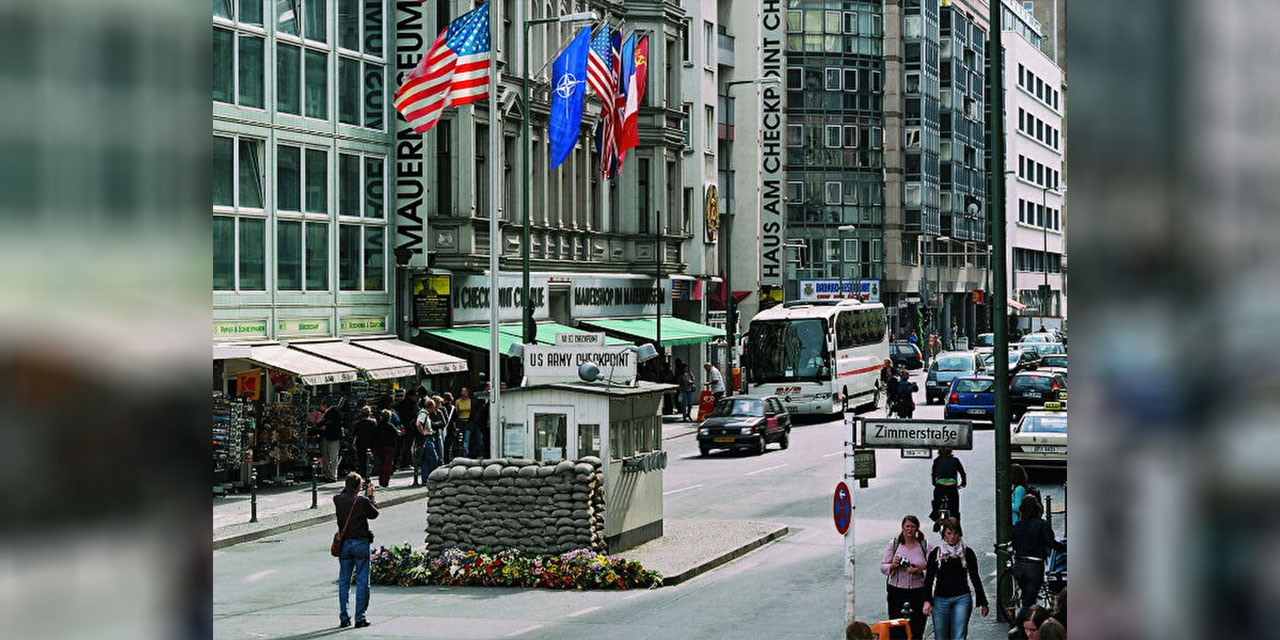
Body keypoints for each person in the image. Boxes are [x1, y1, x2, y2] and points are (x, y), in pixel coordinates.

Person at [922, 518, 989, 640]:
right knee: (941, 636)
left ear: (959, 534)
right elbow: (929, 579)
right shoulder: (936, 553)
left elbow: (975, 577)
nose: (952, 537)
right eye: (949, 533)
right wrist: (927, 600)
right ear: (944, 535)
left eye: (955, 533)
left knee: (959, 636)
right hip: (940, 599)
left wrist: (983, 601)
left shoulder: (966, 552)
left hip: (962, 598)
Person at [1011, 495, 1067, 625]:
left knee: (1027, 597)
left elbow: (1014, 545)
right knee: (1028, 601)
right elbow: (1052, 544)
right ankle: (1017, 627)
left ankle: (1028, 626)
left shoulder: (1018, 525)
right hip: (1034, 565)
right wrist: (1065, 546)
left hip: (1019, 565)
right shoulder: (1042, 525)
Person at [334, 472, 379, 628]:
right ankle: (360, 617)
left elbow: (343, 494)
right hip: (360, 543)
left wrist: (353, 486)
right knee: (361, 581)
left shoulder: (338, 500)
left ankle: (344, 617)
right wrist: (370, 496)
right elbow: (374, 513)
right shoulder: (362, 501)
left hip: (345, 544)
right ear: (359, 487)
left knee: (344, 581)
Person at [880, 514, 929, 639]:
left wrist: (919, 572)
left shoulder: (925, 546)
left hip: (918, 592)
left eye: (913, 527)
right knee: (897, 628)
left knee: (917, 629)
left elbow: (933, 571)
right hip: (897, 591)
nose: (910, 529)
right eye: (907, 526)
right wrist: (893, 566)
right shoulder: (894, 544)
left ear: (917, 528)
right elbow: (883, 567)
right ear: (902, 528)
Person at [930, 448, 967, 531]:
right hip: (952, 487)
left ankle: (936, 519)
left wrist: (934, 483)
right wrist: (963, 483)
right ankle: (958, 529)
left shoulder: (937, 460)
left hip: (940, 486)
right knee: (954, 511)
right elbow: (962, 473)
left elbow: (933, 474)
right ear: (951, 452)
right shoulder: (955, 460)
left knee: (936, 504)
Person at [318, 400, 344, 482]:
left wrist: (322, 427)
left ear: (325, 405)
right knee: (327, 457)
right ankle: (328, 474)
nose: (320, 408)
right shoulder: (330, 413)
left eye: (321, 405)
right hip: (329, 437)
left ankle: (332, 475)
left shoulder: (333, 413)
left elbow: (328, 425)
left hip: (333, 437)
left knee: (332, 457)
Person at [413, 398, 437, 485]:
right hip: (426, 439)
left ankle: (425, 479)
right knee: (432, 458)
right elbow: (418, 424)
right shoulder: (423, 413)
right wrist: (423, 432)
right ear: (430, 407)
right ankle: (428, 478)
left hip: (424, 439)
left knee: (425, 460)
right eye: (434, 407)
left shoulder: (424, 413)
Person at [373, 409, 399, 488]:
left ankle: (381, 481)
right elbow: (396, 435)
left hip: (380, 447)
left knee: (382, 464)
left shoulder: (378, 426)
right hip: (389, 446)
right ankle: (385, 482)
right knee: (387, 465)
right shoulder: (390, 426)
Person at [455, 387, 473, 458]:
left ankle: (466, 454)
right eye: (462, 391)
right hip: (460, 421)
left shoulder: (470, 401)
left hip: (468, 421)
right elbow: (456, 411)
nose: (463, 393)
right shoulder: (458, 401)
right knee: (460, 439)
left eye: (465, 391)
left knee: (466, 439)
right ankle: (461, 453)